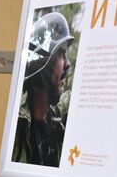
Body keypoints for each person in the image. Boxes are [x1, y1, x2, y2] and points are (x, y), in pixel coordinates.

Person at [13, 10, 73, 167]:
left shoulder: (53, 119)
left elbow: (70, 101)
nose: (68, 64)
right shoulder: (15, 124)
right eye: (61, 55)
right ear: (43, 65)